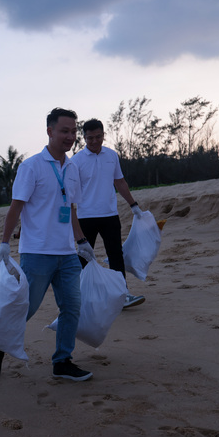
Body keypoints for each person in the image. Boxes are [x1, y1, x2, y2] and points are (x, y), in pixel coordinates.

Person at [0, 107, 96, 381]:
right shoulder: (31, 166)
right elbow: (15, 207)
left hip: (67, 253)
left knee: (73, 306)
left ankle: (62, 361)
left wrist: (81, 240)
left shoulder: (72, 168)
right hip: (36, 253)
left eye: (73, 131)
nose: (70, 136)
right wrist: (4, 243)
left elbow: (71, 208)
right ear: (49, 131)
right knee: (26, 308)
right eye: (64, 131)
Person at [71, 118, 145, 309]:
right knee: (84, 257)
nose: (94, 141)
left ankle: (123, 294)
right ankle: (80, 297)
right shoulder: (76, 161)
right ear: (84, 138)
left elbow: (119, 182)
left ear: (103, 135)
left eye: (98, 137)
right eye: (89, 138)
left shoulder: (112, 155)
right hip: (85, 217)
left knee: (116, 255)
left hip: (109, 215)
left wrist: (133, 205)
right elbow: (69, 192)